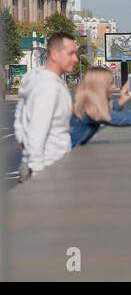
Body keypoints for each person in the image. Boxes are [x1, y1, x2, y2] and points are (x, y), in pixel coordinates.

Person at [14, 32, 79, 182]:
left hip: (45, 168)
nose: (75, 59)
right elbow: (37, 132)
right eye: (71, 54)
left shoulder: (37, 80)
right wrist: (38, 175)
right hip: (49, 170)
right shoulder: (48, 87)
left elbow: (19, 120)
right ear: (54, 55)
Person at [71, 67, 131, 148]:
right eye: (111, 83)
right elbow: (128, 119)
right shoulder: (93, 110)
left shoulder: (86, 105)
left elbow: (105, 111)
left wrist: (121, 101)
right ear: (100, 87)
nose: (114, 86)